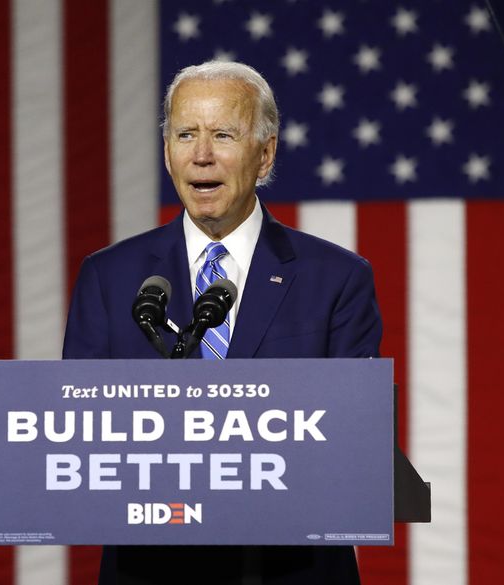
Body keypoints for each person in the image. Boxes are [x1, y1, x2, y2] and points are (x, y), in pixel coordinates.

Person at [62, 60, 381, 584]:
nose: (202, 154)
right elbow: (80, 432)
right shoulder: (109, 278)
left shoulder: (336, 279)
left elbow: (352, 438)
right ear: (168, 153)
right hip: (152, 570)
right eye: (185, 134)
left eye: (223, 134)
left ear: (265, 153)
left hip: (291, 569)